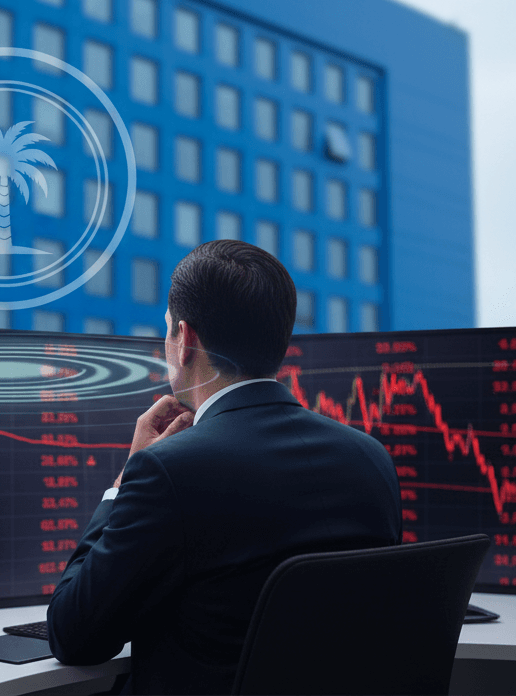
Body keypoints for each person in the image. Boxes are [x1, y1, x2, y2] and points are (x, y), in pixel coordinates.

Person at [47, 240, 402, 695]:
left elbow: (73, 635)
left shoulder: (166, 472)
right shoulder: (371, 459)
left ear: (186, 338)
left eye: (168, 331)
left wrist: (123, 481)